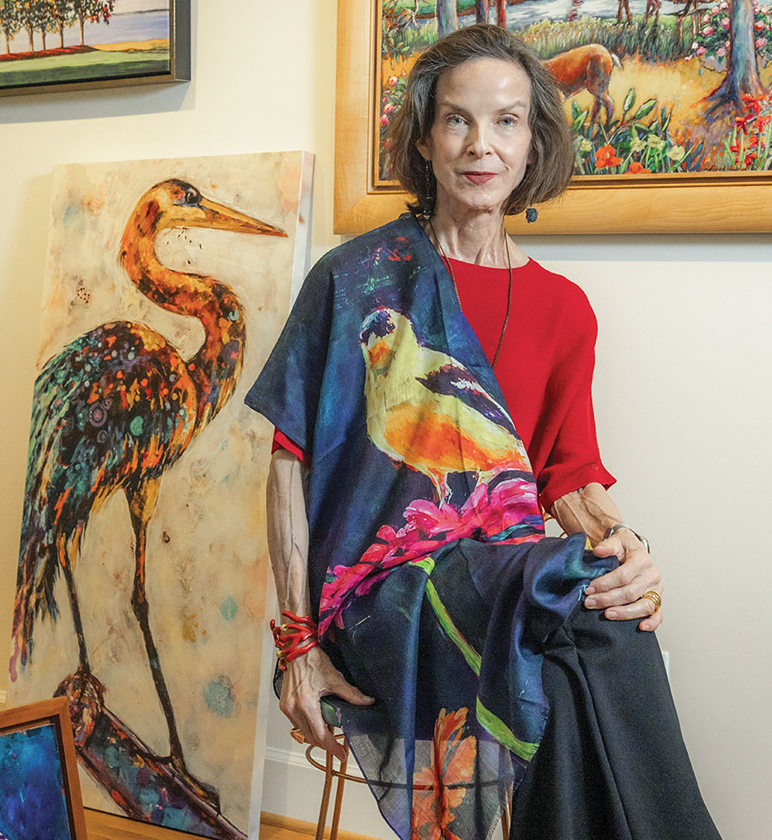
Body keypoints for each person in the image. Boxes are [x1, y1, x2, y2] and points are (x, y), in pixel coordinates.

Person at [246, 24, 721, 840]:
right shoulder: (353, 279)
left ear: (533, 141)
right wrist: (296, 645)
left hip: (500, 575)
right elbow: (288, 465)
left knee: (598, 627)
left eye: (506, 121)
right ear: (425, 138)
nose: (481, 145)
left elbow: (568, 480)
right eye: (458, 120)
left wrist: (625, 550)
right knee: (570, 611)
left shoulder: (563, 311)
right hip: (379, 592)